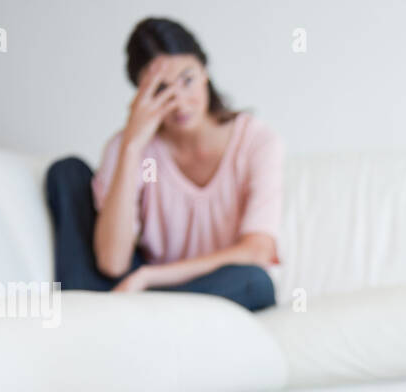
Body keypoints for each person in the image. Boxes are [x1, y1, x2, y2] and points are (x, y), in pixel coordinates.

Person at [43, 17, 282, 311]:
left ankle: (120, 319)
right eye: (160, 89)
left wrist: (148, 277)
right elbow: (113, 263)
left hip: (200, 284)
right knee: (66, 173)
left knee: (255, 282)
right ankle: (115, 318)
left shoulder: (255, 141)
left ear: (205, 73)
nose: (179, 101)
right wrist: (132, 146)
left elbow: (257, 250)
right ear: (140, 94)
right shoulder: (134, 148)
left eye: (187, 79)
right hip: (135, 287)